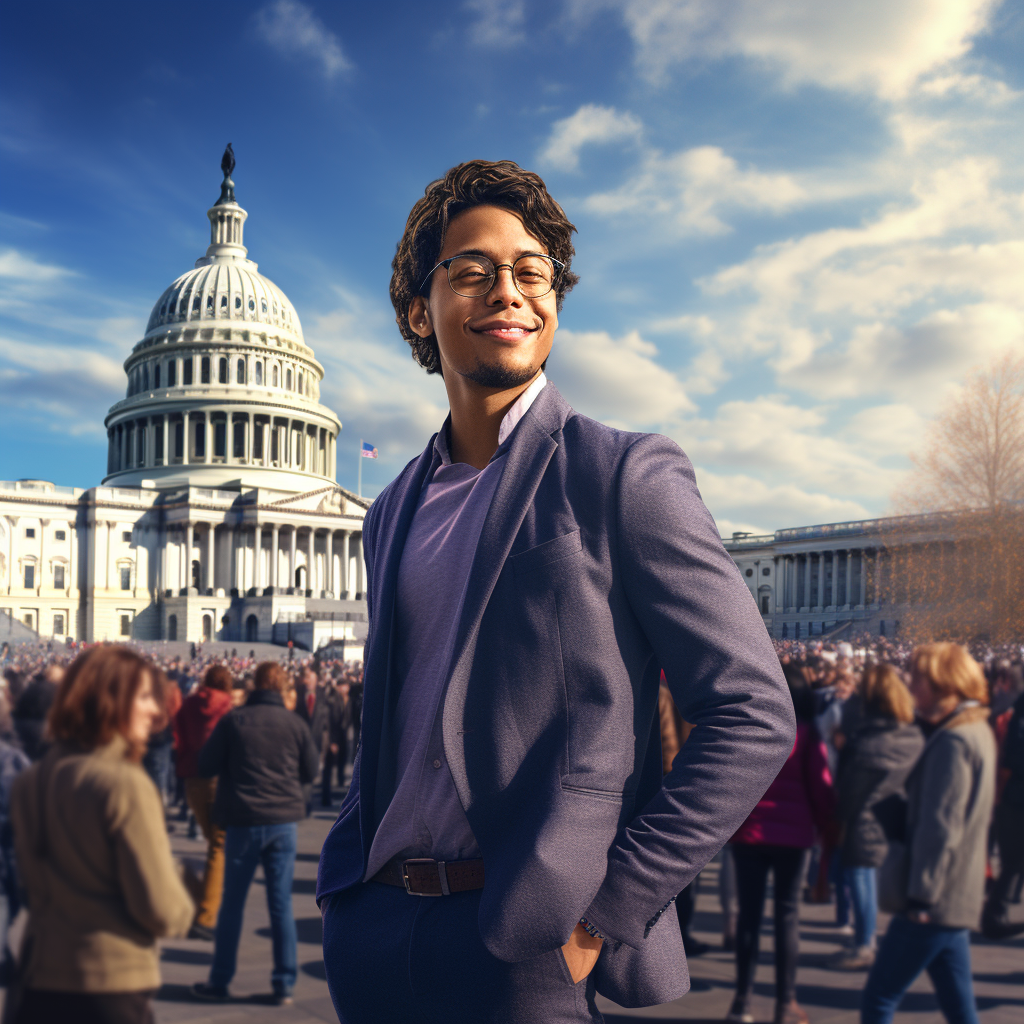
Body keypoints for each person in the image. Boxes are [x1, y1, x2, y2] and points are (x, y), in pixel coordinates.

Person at [316, 159, 795, 1023]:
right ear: (418, 309)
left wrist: (607, 913)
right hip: (377, 932)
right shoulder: (388, 510)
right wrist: (349, 898)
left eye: (532, 273)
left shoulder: (621, 473)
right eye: (473, 271)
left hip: (527, 951)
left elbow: (754, 710)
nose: (509, 291)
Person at [8, 646, 194, 1024]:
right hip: (110, 982)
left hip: (40, 978)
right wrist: (184, 885)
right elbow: (164, 911)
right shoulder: (124, 784)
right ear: (110, 702)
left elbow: (32, 885)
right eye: (143, 696)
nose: (155, 711)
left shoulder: (32, 779)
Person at [864, 643, 996, 1024]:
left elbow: (942, 826)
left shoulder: (954, 741)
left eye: (918, 677)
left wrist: (922, 896)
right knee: (959, 1006)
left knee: (879, 998)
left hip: (934, 897)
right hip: (955, 893)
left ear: (943, 683)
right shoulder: (974, 729)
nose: (909, 684)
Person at [192, 661, 319, 1006]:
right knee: (281, 905)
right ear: (281, 688)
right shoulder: (294, 723)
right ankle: (284, 983)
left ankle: (220, 981)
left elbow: (205, 765)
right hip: (282, 823)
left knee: (232, 905)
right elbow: (311, 771)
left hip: (243, 820)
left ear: (252, 685)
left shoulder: (234, 721)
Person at [727, 665, 836, 1024]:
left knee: (750, 919)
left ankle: (742, 1002)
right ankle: (785, 1004)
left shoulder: (752, 730)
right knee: (787, 917)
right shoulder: (806, 733)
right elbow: (821, 785)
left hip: (751, 834)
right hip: (795, 836)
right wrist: (824, 826)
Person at [830, 664, 923, 970]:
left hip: (864, 817)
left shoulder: (864, 738)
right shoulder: (913, 735)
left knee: (860, 876)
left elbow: (847, 785)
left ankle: (864, 943)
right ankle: (884, 940)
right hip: (897, 814)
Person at [174, 662, 234, 941]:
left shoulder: (188, 704)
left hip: (192, 776)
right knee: (217, 847)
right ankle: (206, 916)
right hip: (220, 778)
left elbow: (179, 739)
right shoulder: (229, 706)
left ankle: (198, 903)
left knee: (214, 844)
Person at [982, 676, 1024, 938]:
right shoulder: (1018, 712)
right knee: (1013, 862)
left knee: (1013, 863)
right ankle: (994, 915)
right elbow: (1015, 754)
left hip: (1014, 796)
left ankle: (994, 915)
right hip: (1016, 797)